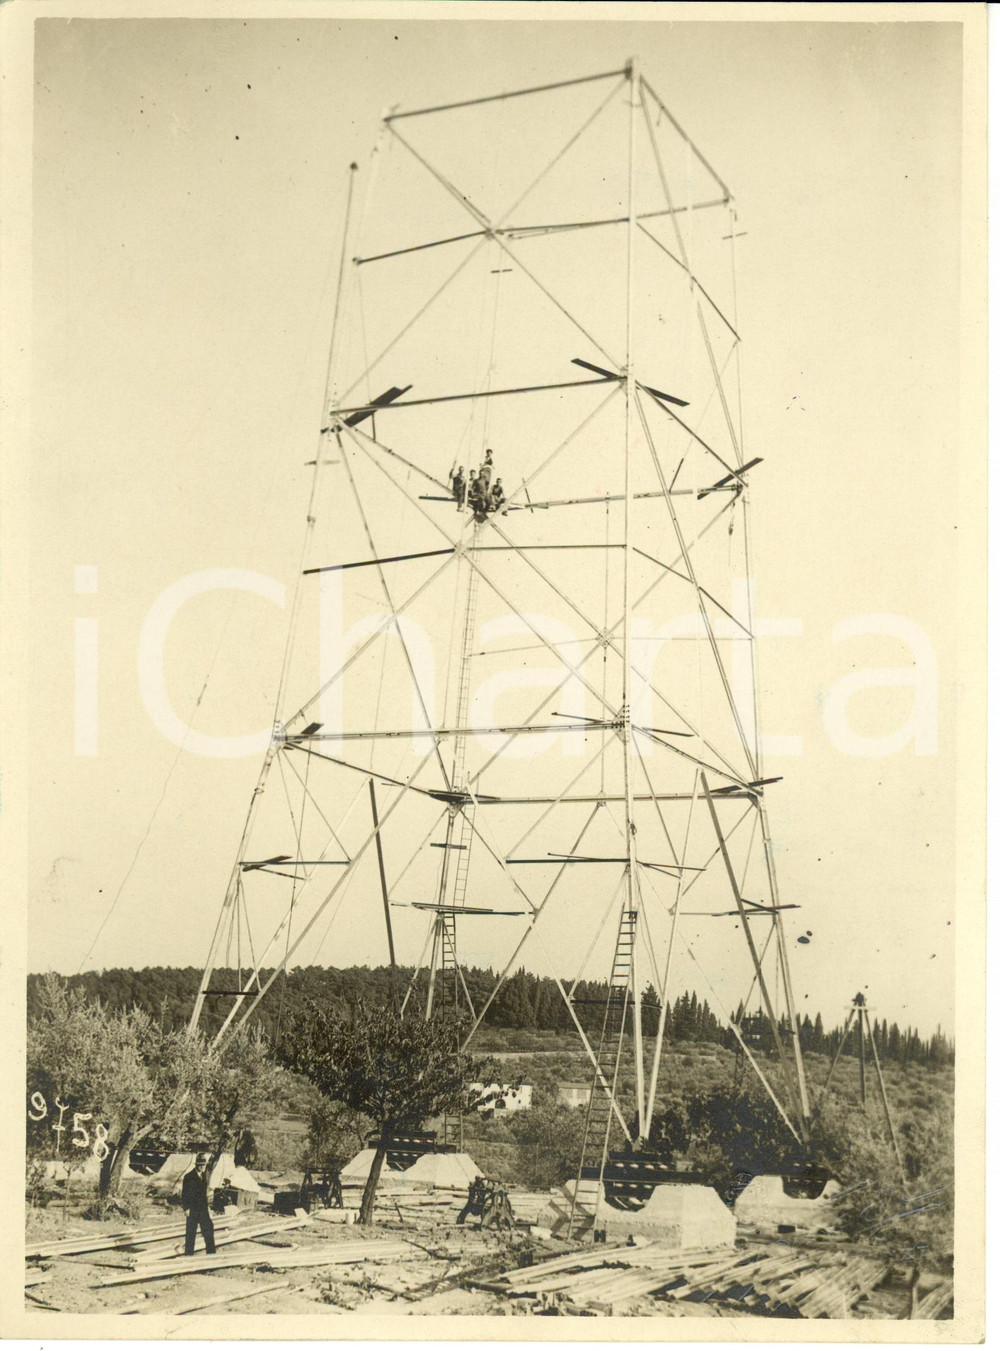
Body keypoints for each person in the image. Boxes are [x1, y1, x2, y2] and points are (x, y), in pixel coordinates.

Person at [181, 1152, 217, 1256]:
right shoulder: (189, 1177)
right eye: (200, 1164)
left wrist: (208, 1209)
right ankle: (188, 1254)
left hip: (203, 1209)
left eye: (203, 1165)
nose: (202, 1167)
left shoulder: (204, 1177)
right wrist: (186, 1208)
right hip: (192, 1209)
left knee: (209, 1230)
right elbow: (184, 1194)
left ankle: (211, 1254)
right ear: (196, 1164)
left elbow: (204, 1195)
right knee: (191, 1234)